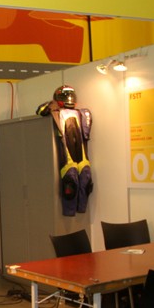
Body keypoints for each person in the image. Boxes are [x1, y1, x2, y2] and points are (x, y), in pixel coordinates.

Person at [36, 85, 93, 216]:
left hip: (82, 158)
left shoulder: (83, 114)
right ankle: (69, 212)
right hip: (67, 159)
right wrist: (52, 104)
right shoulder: (56, 112)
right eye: (65, 95)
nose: (69, 98)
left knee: (85, 180)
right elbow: (40, 111)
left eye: (71, 95)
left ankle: (81, 210)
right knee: (71, 182)